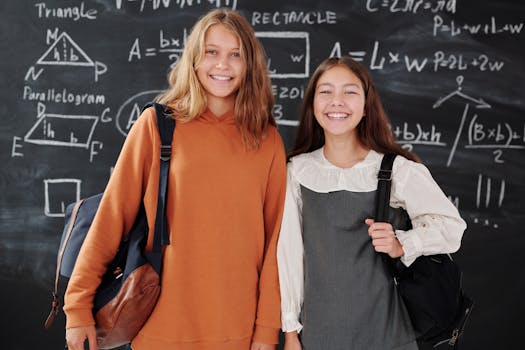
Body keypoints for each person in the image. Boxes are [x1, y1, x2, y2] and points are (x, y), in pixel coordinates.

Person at [64, 9, 286, 350]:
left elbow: (275, 245)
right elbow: (112, 218)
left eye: (235, 54)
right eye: (211, 52)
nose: (222, 65)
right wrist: (77, 307)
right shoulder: (158, 125)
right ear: (194, 60)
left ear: (249, 65)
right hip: (159, 329)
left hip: (239, 332)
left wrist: (266, 332)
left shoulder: (266, 140)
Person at [277, 56, 466, 350]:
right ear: (313, 105)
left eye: (350, 92)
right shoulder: (296, 173)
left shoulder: (396, 171)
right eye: (325, 91)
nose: (336, 101)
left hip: (389, 332)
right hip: (320, 333)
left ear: (366, 106)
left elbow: (452, 227)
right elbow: (289, 256)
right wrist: (290, 331)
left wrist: (403, 243)